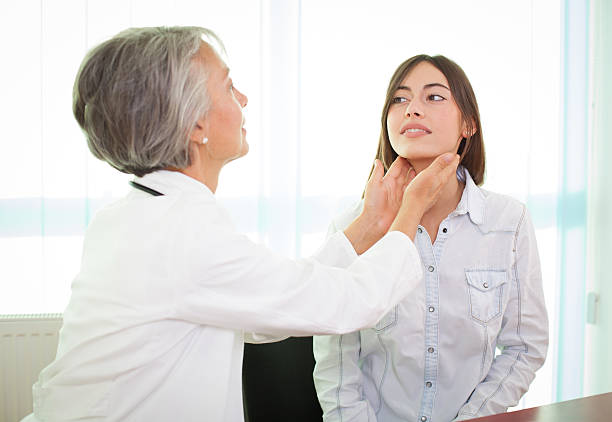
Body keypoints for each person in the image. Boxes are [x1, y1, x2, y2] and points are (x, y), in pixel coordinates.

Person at [21, 29, 460, 422]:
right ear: (196, 123)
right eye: (229, 87)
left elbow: (266, 308)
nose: (244, 99)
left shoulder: (138, 216)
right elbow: (348, 302)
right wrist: (410, 212)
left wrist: (371, 224)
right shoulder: (182, 235)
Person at [313, 55, 549, 422]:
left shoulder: (508, 222)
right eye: (400, 99)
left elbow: (525, 347)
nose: (412, 110)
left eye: (434, 97)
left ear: (468, 124)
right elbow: (337, 364)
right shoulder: (353, 229)